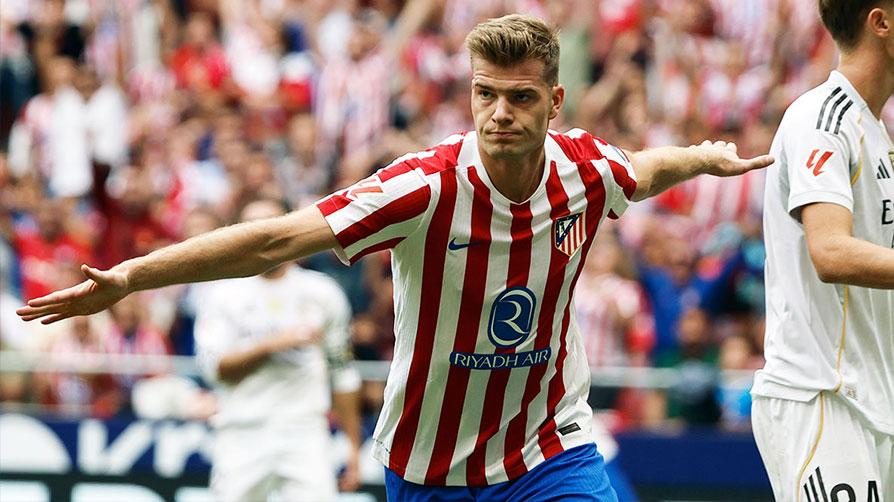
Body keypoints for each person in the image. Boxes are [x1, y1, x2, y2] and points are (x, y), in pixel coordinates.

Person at [17, 14, 772, 500]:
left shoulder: (585, 169)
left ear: (555, 103)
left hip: (546, 451)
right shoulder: (424, 187)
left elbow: (648, 168)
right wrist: (132, 276)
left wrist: (705, 157)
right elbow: (277, 238)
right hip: (429, 465)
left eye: (520, 98)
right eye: (485, 95)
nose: (499, 114)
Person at [750, 0, 894, 499]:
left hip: (872, 400)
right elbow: (830, 251)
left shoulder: (876, 132)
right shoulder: (821, 118)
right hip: (818, 396)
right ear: (881, 22)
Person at [194, 199, 362, 502]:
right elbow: (215, 370)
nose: (261, 234)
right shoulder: (221, 294)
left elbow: (343, 372)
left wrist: (352, 445)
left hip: (305, 430)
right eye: (251, 226)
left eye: (269, 224)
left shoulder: (322, 293)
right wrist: (274, 344)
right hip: (241, 430)